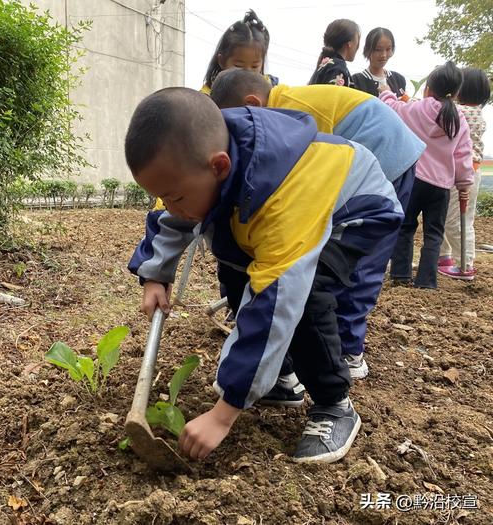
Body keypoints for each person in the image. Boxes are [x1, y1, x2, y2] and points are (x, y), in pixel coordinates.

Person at [126, 87, 404, 463]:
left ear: (220, 167)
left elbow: (275, 304)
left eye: (175, 196)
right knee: (238, 270)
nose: (171, 204)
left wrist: (224, 414)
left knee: (303, 296)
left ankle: (334, 403)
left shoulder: (281, 198)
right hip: (265, 206)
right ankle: (280, 380)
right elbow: (167, 216)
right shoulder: (196, 161)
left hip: (352, 210)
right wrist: (155, 275)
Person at [209, 68, 425, 379]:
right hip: (363, 155)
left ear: (253, 105)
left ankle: (349, 350)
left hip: (384, 158)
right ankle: (324, 343)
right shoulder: (279, 106)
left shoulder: (291, 109)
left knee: (357, 259)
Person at [380, 61, 475, 288]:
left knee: (406, 226)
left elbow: (395, 109)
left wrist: (386, 93)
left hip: (415, 180)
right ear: (456, 93)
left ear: (428, 89)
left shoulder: (419, 108)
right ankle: (427, 281)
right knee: (434, 234)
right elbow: (463, 153)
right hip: (441, 186)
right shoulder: (458, 119)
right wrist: (464, 182)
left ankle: (401, 274)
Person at [438, 68, 490, 280]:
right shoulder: (477, 112)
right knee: (450, 216)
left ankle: (465, 266)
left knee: (454, 220)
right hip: (470, 172)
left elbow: (436, 113)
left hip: (460, 174)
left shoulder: (461, 112)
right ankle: (445, 257)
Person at [200, 9, 277, 95]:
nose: (248, 73)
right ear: (222, 61)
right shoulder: (207, 96)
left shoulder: (271, 90)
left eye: (255, 66)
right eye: (238, 66)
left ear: (262, 63)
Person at [352, 27, 407, 98]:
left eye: (388, 49)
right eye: (378, 50)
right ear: (368, 50)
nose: (383, 55)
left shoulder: (399, 79)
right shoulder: (356, 81)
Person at [308, 19, 360, 87]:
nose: (358, 45)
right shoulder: (338, 67)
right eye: (358, 39)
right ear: (349, 43)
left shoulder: (327, 64)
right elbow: (333, 96)